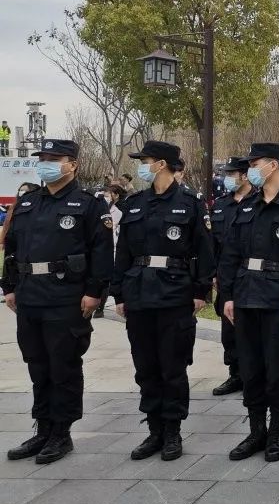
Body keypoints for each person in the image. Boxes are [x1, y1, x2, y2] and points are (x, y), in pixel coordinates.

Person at [3, 139, 113, 465]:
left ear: (72, 164)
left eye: (54, 158)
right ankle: (43, 428)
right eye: (43, 158)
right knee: (37, 364)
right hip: (29, 295)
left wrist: (95, 292)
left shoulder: (89, 204)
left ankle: (61, 433)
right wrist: (9, 286)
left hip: (66, 297)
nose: (46, 163)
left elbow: (102, 253)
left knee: (62, 365)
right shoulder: (28, 203)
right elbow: (12, 248)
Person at [113, 141, 215, 462]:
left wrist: (201, 291)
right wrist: (119, 292)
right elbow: (123, 253)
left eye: (146, 161)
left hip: (175, 293)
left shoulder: (191, 203)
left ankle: (172, 430)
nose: (142, 166)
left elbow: (205, 250)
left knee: (173, 366)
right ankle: (154, 429)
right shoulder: (135, 203)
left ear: (163, 164)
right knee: (146, 366)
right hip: (139, 294)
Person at [218, 142, 279, 463]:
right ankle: (256, 430)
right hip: (246, 296)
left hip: (278, 298)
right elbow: (231, 255)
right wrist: (228, 296)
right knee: (250, 367)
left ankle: (276, 432)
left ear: (272, 166)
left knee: (275, 367)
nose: (249, 170)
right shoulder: (247, 206)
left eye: (254, 163)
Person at [209, 157, 251, 396]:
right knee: (228, 328)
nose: (227, 178)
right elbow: (212, 244)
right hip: (225, 276)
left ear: (245, 175)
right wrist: (214, 273)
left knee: (250, 327)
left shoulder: (256, 203)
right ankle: (235, 373)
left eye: (232, 173)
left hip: (249, 276)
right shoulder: (220, 205)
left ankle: (251, 374)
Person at [93, 184, 126, 318]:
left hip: (111, 248)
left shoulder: (117, 212)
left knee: (105, 278)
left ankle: (101, 307)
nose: (105, 197)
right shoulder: (95, 209)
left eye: (108, 195)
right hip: (96, 247)